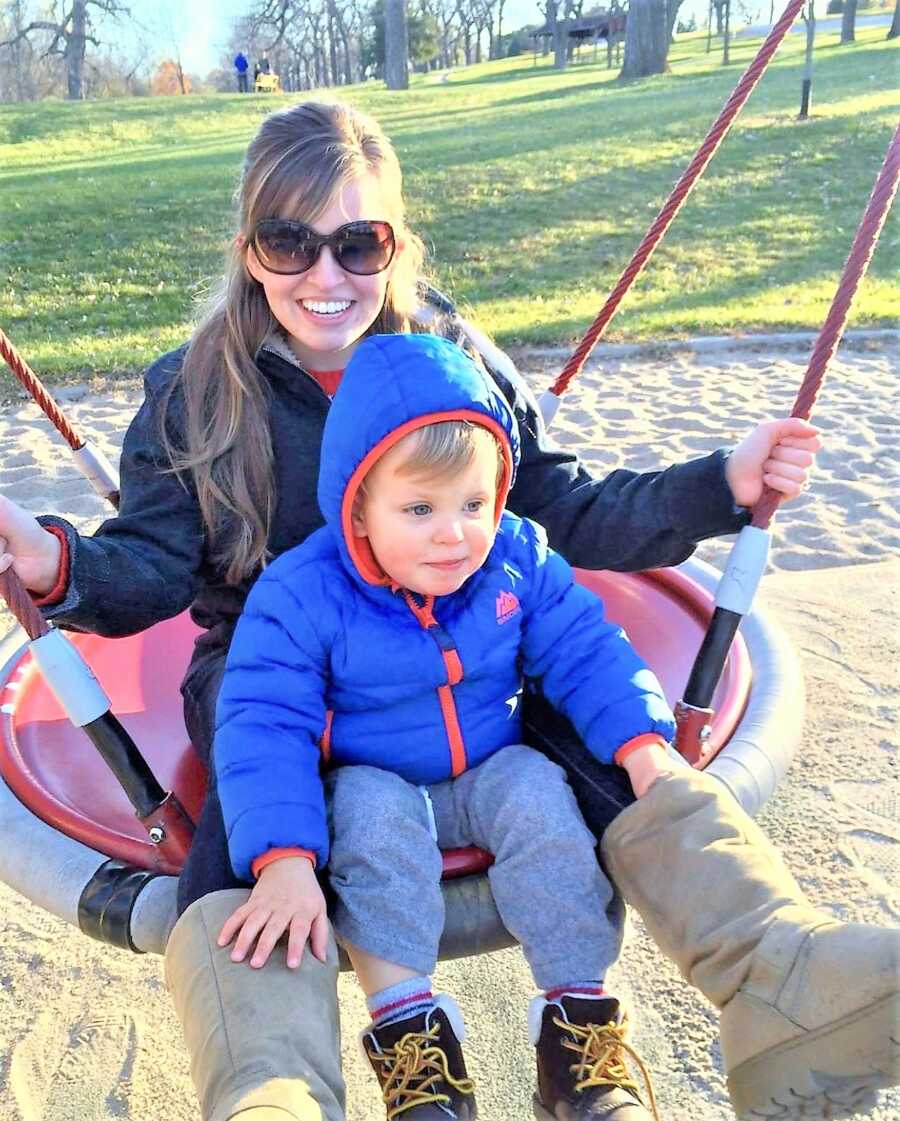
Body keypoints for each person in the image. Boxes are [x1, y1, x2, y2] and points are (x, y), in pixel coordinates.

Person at [0, 100, 893, 1121]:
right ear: (250, 248)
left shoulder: (450, 354)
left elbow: (555, 508)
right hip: (272, 665)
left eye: (357, 241)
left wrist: (716, 486)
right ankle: (272, 1087)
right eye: (290, 242)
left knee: (613, 740)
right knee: (245, 815)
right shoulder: (197, 390)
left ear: (395, 242)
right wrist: (56, 560)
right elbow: (153, 569)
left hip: (460, 644)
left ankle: (780, 982)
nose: (325, 275)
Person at [214, 331, 680, 1120]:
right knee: (368, 821)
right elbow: (263, 722)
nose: (452, 532)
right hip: (375, 771)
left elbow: (586, 646)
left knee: (542, 795)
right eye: (420, 509)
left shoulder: (515, 559)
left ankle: (578, 1027)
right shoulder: (302, 592)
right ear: (358, 505)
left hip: (491, 763)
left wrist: (643, 744)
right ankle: (413, 1043)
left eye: (473, 504)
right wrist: (282, 858)